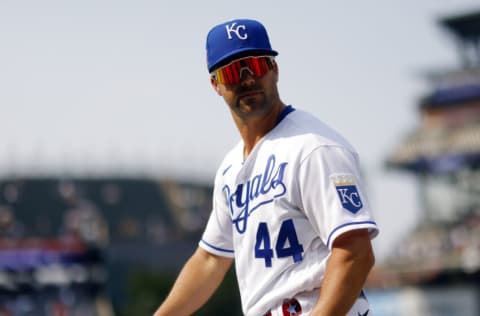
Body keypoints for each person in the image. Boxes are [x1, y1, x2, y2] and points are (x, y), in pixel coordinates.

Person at [153, 18, 379, 316]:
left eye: (256, 65)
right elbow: (210, 260)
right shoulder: (231, 169)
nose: (247, 79)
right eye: (233, 70)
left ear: (274, 69)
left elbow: (355, 252)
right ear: (216, 84)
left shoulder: (313, 147)